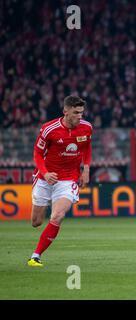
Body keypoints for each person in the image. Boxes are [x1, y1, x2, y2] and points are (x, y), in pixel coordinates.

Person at [27, 96, 92, 267]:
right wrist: (45, 172)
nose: (80, 116)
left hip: (68, 178)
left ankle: (35, 256)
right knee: (36, 222)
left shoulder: (86, 128)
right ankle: (44, 210)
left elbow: (86, 147)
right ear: (65, 111)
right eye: (76, 112)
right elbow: (37, 154)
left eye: (82, 113)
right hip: (45, 177)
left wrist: (86, 169)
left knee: (58, 216)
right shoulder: (49, 129)